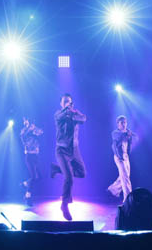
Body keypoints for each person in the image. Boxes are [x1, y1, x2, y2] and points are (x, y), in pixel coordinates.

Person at [50, 93, 87, 221]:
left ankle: (56, 169)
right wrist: (67, 110)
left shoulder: (74, 114)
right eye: (65, 101)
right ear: (61, 103)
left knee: (82, 173)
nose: (67, 103)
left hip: (74, 150)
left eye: (69, 102)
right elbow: (60, 117)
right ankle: (64, 205)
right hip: (62, 150)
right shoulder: (58, 114)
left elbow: (83, 119)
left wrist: (74, 112)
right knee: (69, 178)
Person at [108, 115, 136, 202]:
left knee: (124, 176)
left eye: (125, 122)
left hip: (125, 156)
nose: (124, 124)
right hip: (118, 157)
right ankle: (128, 199)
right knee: (125, 178)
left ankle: (113, 189)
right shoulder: (115, 133)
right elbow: (120, 137)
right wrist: (127, 134)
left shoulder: (128, 132)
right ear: (118, 124)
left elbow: (134, 139)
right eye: (122, 123)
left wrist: (130, 136)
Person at [20, 116, 43, 206]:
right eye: (25, 120)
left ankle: (25, 183)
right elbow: (23, 137)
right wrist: (29, 128)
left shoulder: (33, 130)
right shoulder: (23, 131)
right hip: (29, 156)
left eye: (27, 120)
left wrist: (34, 128)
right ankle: (28, 196)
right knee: (33, 177)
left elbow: (41, 132)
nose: (25, 122)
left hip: (36, 156)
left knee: (39, 177)